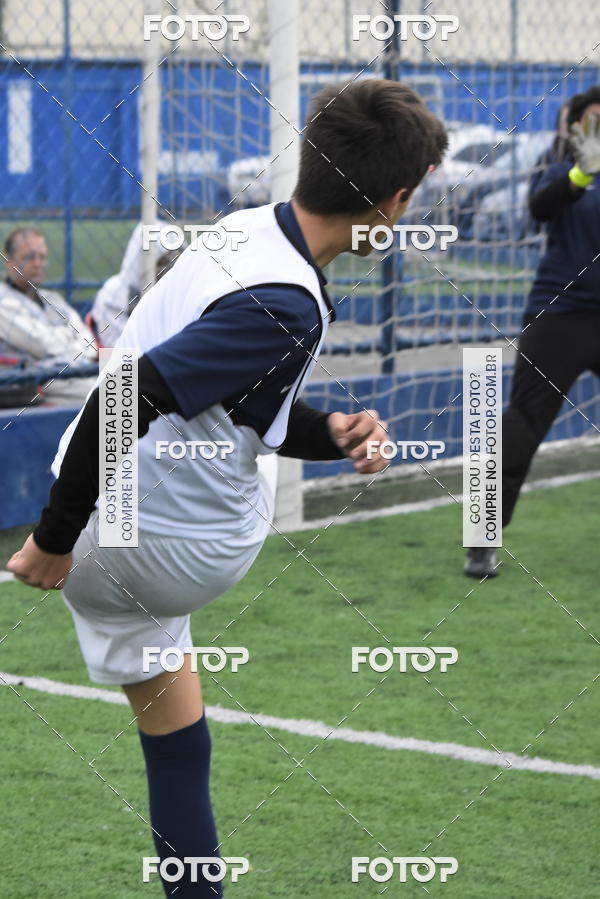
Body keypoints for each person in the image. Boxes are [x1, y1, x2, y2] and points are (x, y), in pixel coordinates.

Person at [8, 78, 448, 896]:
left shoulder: (244, 231)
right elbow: (130, 392)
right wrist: (50, 541)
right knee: (179, 717)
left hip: (110, 512)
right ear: (393, 203)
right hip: (161, 543)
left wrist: (328, 430)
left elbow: (224, 397)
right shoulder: (287, 303)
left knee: (180, 748)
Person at [465, 86, 600, 578]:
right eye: (593, 120)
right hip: (560, 315)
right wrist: (581, 173)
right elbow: (539, 207)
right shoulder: (560, 165)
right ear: (575, 125)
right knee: (521, 425)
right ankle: (480, 539)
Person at [0, 227, 97, 403]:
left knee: (127, 380)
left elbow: (89, 342)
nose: (38, 263)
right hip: (36, 383)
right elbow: (42, 345)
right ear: (9, 261)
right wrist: (70, 338)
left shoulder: (53, 298)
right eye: (29, 257)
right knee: (113, 397)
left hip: (76, 370)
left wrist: (67, 350)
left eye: (42, 257)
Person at [89, 221, 182, 348]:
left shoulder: (177, 296)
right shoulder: (114, 295)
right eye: (163, 262)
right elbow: (119, 353)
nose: (166, 269)